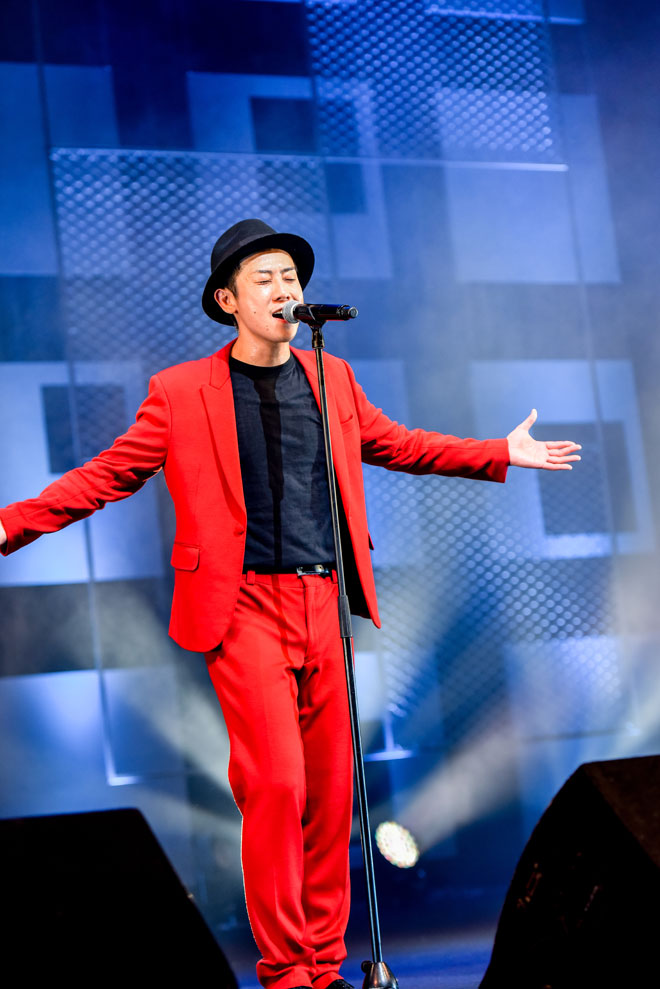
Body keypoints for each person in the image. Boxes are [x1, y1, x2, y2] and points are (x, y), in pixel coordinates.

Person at [0, 219, 581, 989]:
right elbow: (106, 474)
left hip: (324, 601)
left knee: (332, 793)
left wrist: (499, 451)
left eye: (291, 277)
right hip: (242, 605)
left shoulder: (330, 376)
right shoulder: (180, 392)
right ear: (227, 300)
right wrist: (11, 523)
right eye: (265, 278)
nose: (284, 290)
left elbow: (401, 443)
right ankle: (285, 971)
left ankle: (323, 962)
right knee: (276, 785)